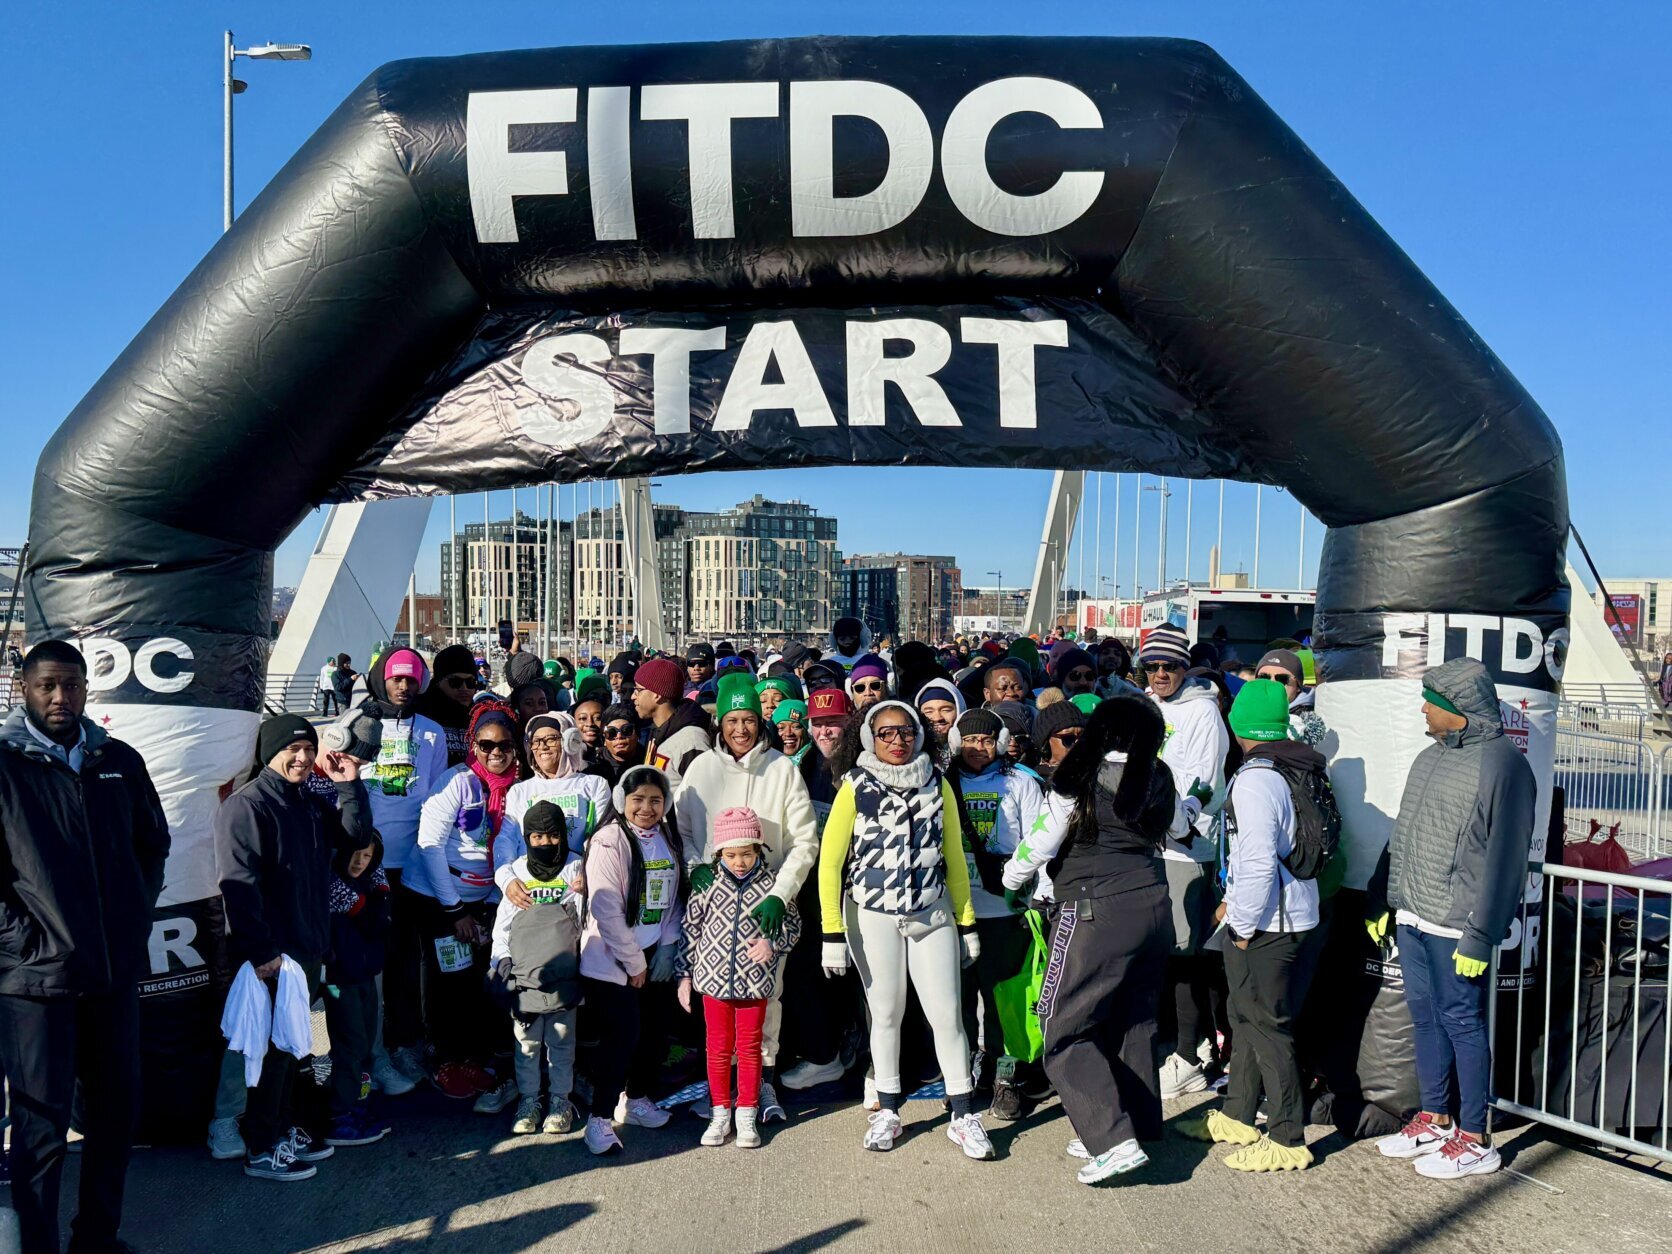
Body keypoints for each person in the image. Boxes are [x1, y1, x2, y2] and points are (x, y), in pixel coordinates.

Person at [0, 640, 170, 1248]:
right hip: (35, 983)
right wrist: (26, 942)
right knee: (41, 1130)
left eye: (70, 686)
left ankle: (97, 1237)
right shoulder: (5, 765)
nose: (59, 698)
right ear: (24, 687)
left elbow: (153, 842)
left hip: (113, 972)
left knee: (115, 1113)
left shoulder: (117, 760)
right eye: (46, 685)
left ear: (85, 689)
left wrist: (132, 920)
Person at [1368, 658, 1535, 1180]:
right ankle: (1436, 1118)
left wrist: (1481, 935)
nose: (1423, 708)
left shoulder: (1504, 765)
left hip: (1456, 925)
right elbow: (1404, 836)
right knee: (1425, 1017)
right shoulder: (1428, 757)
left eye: (1432, 702)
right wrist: (1385, 900)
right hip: (1415, 914)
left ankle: (1475, 1136)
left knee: (1462, 1023)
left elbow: (1507, 858)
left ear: (1458, 711)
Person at [1017, 697, 1183, 1184]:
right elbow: (1181, 830)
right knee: (1133, 1019)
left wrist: (1010, 881)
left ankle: (1112, 1140)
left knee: (1061, 1024)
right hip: (1153, 905)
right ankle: (1135, 1124)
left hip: (1092, 906)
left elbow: (1041, 843)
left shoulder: (1080, 779)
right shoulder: (1159, 775)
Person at [818, 701, 991, 1160]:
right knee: (886, 1012)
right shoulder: (855, 785)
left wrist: (966, 920)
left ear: (919, 733)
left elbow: (954, 855)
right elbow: (830, 863)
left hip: (930, 912)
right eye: (886, 733)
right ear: (869, 737)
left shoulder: (937, 782)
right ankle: (889, 1108)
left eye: (906, 732)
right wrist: (832, 933)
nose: (897, 741)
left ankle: (962, 1112)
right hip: (871, 914)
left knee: (948, 1015)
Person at [217, 713, 372, 1182]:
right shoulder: (248, 806)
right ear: (270, 752)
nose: (302, 758)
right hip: (273, 956)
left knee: (296, 1049)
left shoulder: (303, 801)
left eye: (308, 749)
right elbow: (237, 884)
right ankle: (261, 1146)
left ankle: (282, 1129)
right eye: (292, 749)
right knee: (271, 1051)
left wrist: (350, 786)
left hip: (306, 951)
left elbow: (353, 838)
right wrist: (261, 951)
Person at [1180, 680, 1322, 1171]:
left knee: (1267, 1027)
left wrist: (1240, 923)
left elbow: (1258, 861)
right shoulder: (1291, 766)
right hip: (1284, 913)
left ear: (1239, 725)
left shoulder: (1257, 779)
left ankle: (1287, 1137)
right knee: (1244, 1017)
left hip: (1268, 924)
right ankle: (1238, 1113)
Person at [675, 673, 821, 1123]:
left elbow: (804, 840)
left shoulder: (781, 768)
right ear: (720, 721)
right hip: (717, 902)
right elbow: (680, 827)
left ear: (761, 723)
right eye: (733, 719)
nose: (741, 729)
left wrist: (781, 893)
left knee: (766, 997)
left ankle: (762, 1085)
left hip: (764, 900)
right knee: (718, 1002)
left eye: (750, 720)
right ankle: (725, 1092)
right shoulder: (701, 769)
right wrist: (695, 864)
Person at [412, 700, 520, 1108]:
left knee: (476, 980)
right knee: (446, 980)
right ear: (473, 746)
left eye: (505, 745)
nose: (496, 753)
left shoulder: (516, 788)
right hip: (440, 896)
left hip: (482, 898)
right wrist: (455, 910)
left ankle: (471, 1056)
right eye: (487, 744)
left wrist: (490, 905)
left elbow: (507, 852)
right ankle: (444, 1058)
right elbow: (430, 846)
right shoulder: (457, 781)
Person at [677, 807, 804, 1149]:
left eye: (747, 853)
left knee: (750, 1049)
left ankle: (746, 1113)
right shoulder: (707, 884)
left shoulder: (772, 885)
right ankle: (720, 1113)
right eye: (731, 854)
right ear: (719, 853)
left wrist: (772, 943)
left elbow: (793, 926)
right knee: (717, 1049)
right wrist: (684, 975)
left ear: (759, 849)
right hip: (713, 983)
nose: (739, 862)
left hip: (754, 984)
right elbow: (690, 929)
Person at [1140, 623, 1229, 1100]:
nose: (1159, 674)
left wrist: (1178, 821)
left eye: (1169, 666)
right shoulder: (1148, 706)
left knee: (1184, 954)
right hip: (1146, 847)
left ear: (1184, 667)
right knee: (1158, 954)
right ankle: (1170, 1045)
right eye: (1151, 666)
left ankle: (1191, 1055)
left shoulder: (1203, 713)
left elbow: (1205, 782)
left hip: (1185, 848)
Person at [579, 765, 685, 1155]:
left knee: (654, 1033)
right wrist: (633, 961)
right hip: (612, 960)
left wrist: (668, 946)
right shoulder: (610, 840)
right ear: (623, 800)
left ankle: (637, 1099)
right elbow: (604, 906)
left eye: (655, 800)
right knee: (620, 1039)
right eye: (638, 799)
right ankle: (599, 1120)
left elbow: (674, 898)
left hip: (654, 951)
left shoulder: (666, 839)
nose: (646, 808)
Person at [946, 708, 1046, 1121]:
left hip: (1007, 911)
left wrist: (1035, 901)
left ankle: (1008, 1076)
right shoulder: (944, 784)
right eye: (969, 741)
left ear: (1001, 743)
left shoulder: (1021, 782)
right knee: (960, 1002)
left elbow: (1039, 841)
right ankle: (969, 1072)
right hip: (957, 912)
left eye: (986, 740)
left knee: (1005, 1000)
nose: (978, 748)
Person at [356, 649, 448, 1087]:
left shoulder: (431, 733)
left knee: (409, 960)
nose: (404, 687)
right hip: (365, 864)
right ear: (381, 679)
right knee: (371, 964)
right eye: (396, 678)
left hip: (413, 865)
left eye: (412, 680)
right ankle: (369, 1053)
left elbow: (437, 797)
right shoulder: (358, 724)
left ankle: (406, 1044)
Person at [490, 800, 586, 1137]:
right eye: (537, 837)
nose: (545, 843)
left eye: (553, 836)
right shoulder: (517, 872)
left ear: (563, 835)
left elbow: (587, 921)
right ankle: (529, 1100)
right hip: (525, 979)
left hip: (565, 978)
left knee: (562, 1042)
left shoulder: (577, 868)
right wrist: (501, 963)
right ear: (527, 838)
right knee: (527, 1044)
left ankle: (560, 1101)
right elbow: (502, 926)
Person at [322, 837, 393, 1149]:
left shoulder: (374, 888)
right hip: (341, 979)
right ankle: (341, 1115)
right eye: (355, 854)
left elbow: (379, 920)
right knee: (349, 1046)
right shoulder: (331, 887)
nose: (360, 861)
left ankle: (357, 1106)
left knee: (365, 1044)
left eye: (367, 856)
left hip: (365, 975)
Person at [496, 713, 613, 885]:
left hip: (577, 883)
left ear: (569, 741)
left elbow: (603, 836)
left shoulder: (594, 785)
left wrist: (591, 872)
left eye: (551, 739)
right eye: (536, 741)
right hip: (530, 885)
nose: (542, 747)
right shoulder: (519, 791)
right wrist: (507, 880)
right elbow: (506, 840)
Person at [635, 656, 714, 792]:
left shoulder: (692, 741)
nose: (633, 696)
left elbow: (705, 796)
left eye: (638, 690)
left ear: (656, 694)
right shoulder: (658, 731)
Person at [1255, 647, 1326, 747]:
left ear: (1298, 686)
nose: (1272, 684)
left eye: (1282, 679)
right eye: (1264, 677)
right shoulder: (1241, 710)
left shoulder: (1303, 724)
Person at [1034, 698, 1088, 785]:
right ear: (1046, 745)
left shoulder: (1098, 776)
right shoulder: (1032, 783)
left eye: (1082, 737)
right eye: (1068, 739)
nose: (1077, 745)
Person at [915, 677, 966, 769]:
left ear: (959, 710)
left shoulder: (972, 752)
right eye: (929, 712)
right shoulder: (911, 755)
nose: (937, 718)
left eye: (946, 710)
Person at [596, 703, 642, 783]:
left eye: (626, 730)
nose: (619, 736)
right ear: (604, 739)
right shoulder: (594, 767)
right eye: (611, 732)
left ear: (637, 734)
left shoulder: (650, 761)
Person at [772, 699, 811, 764]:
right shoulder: (766, 762)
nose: (788, 733)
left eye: (796, 727)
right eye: (781, 728)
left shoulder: (819, 764)